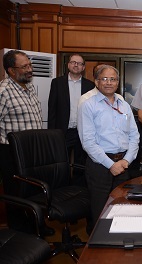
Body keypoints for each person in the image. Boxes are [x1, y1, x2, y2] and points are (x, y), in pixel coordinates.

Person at [77, 65, 140, 233]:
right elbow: (88, 142)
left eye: (113, 79)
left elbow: (135, 136)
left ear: (118, 82)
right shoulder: (88, 105)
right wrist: (111, 165)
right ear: (97, 82)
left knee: (122, 210)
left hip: (124, 165)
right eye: (104, 79)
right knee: (100, 214)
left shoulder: (125, 105)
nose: (109, 82)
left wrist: (126, 160)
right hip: (100, 166)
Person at [0, 50, 43, 232]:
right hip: (11, 153)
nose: (29, 69)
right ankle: (18, 234)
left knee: (32, 191)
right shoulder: (3, 91)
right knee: (16, 195)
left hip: (32, 151)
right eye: (24, 66)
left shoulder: (29, 87)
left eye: (30, 65)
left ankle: (35, 227)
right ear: (11, 70)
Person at [48, 53, 94, 186]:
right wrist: (52, 133)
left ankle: (78, 188)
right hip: (63, 131)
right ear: (68, 65)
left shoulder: (89, 85)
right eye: (73, 62)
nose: (76, 65)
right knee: (62, 161)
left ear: (83, 67)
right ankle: (61, 188)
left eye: (79, 63)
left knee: (81, 162)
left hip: (82, 131)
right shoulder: (57, 83)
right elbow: (52, 109)